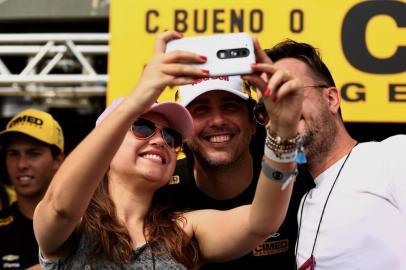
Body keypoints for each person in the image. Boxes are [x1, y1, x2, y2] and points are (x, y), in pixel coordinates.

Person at [32, 31, 301, 269]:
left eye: (171, 136)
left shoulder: (182, 231)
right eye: (141, 127)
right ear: (108, 146)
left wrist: (283, 133)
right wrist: (137, 99)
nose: (160, 140)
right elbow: (59, 208)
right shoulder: (74, 228)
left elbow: (262, 222)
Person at [250, 39, 406, 270]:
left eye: (288, 92)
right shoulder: (298, 203)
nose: (281, 111)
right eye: (268, 106)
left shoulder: (391, 155)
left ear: (331, 99)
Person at [171, 76, 314, 268]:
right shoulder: (161, 192)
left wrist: (283, 135)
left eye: (230, 107)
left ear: (253, 122)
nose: (217, 121)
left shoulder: (302, 187)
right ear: (183, 129)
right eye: (201, 109)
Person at [0, 108, 65, 270]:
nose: (21, 164)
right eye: (13, 154)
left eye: (33, 154)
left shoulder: (86, 226)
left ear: (58, 160)